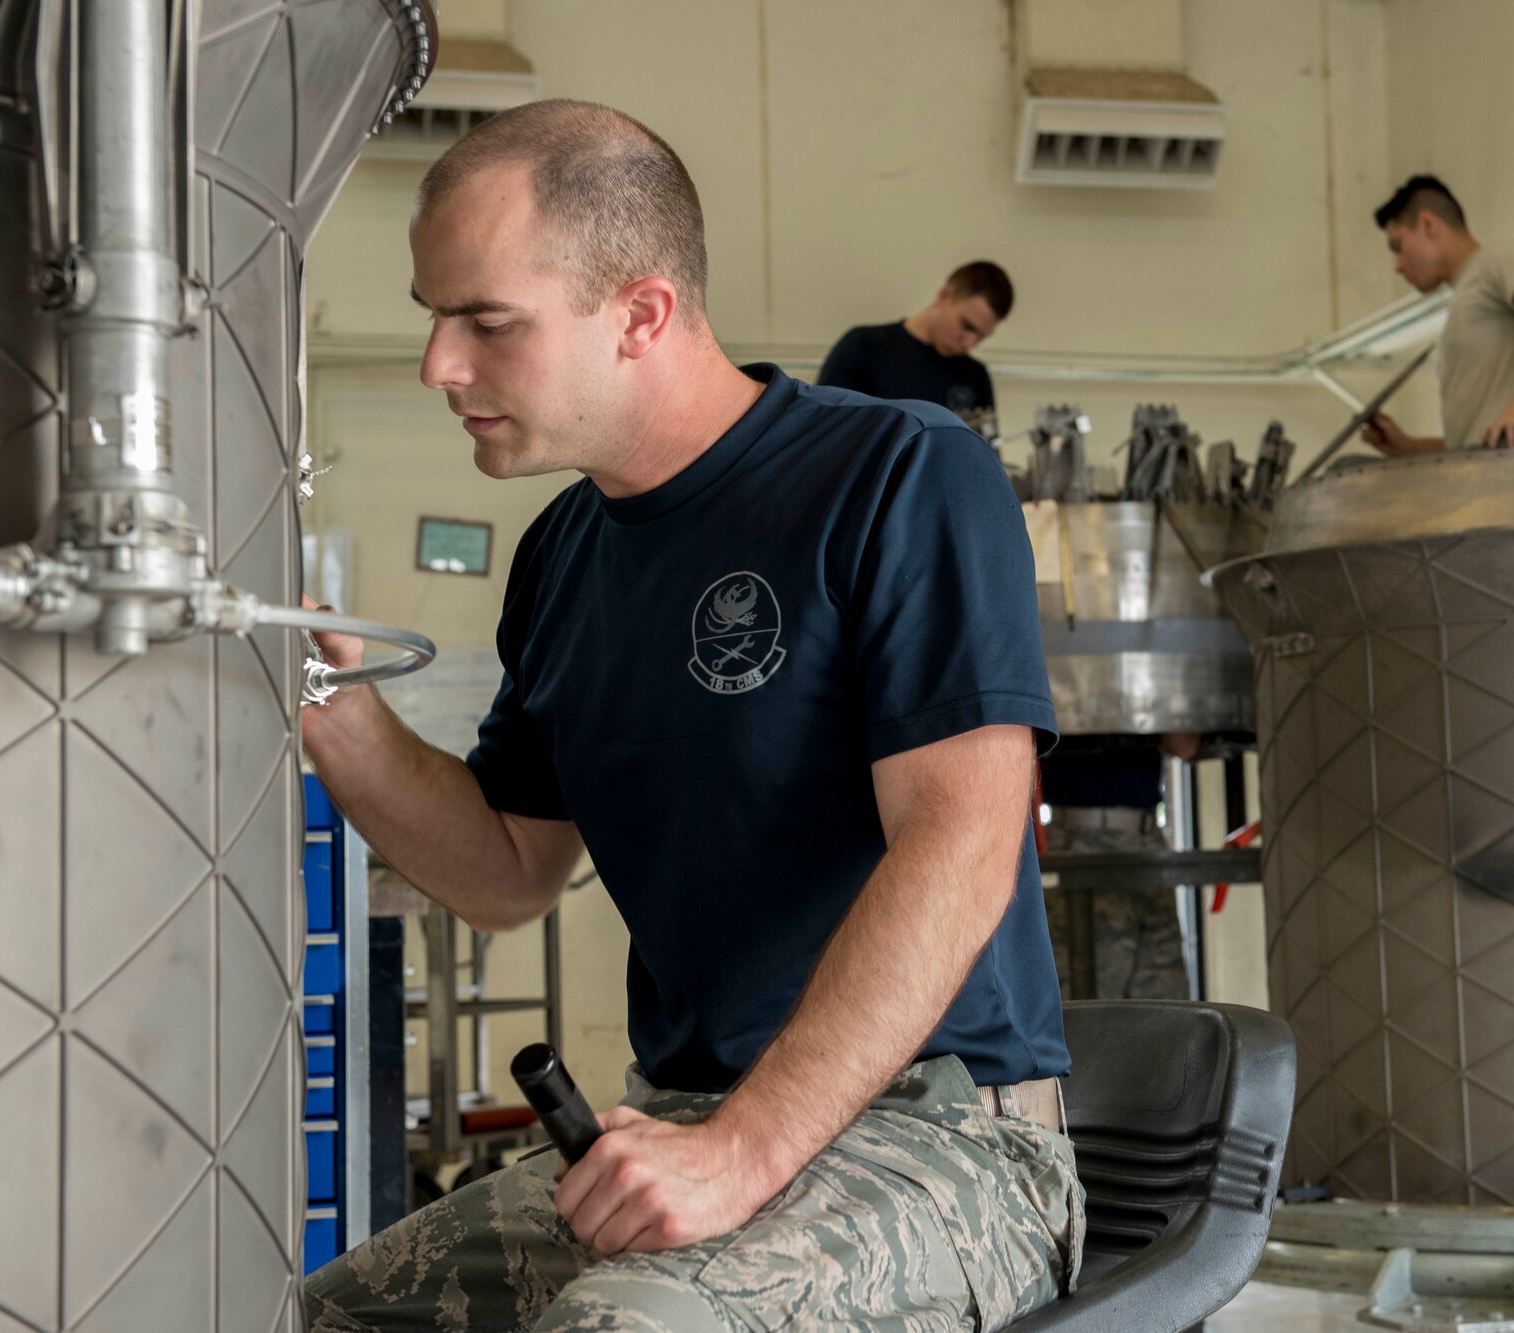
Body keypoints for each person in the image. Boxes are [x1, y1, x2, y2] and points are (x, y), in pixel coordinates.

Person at [301, 100, 1081, 1332]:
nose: (438, 366)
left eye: (485, 322)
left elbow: (964, 840)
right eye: (433, 318)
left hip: (942, 1141)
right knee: (328, 1315)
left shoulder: (898, 473)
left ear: (642, 314)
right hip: (679, 1122)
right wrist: (331, 708)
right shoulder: (562, 553)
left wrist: (742, 1150)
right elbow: (508, 868)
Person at [1358, 175, 1514, 455]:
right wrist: (1408, 447)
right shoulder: (1465, 298)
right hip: (1490, 480)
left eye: (1398, 247)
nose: (1397, 266)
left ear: (1428, 224)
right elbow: (1475, 447)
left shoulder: (1497, 261)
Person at [1039, 732, 1198, 1000]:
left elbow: (1184, 745)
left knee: (1164, 1004)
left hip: (1143, 842)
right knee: (1094, 1005)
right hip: (1082, 843)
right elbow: (1184, 745)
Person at [817, 261, 1012, 429]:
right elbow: (821, 428)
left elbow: (987, 456)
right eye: (966, 326)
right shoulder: (864, 346)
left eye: (981, 337)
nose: (970, 343)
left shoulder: (975, 376)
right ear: (944, 296)